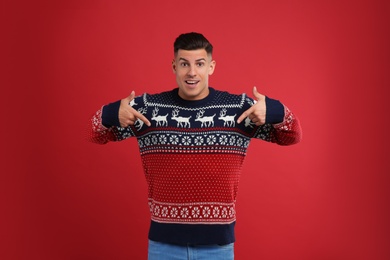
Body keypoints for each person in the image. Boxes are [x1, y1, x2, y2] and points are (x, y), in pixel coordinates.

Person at [88, 32, 302, 260]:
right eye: (184, 64)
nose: (192, 72)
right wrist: (112, 113)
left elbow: (291, 136)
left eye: (199, 64)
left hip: (217, 247)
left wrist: (274, 110)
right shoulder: (147, 109)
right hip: (163, 246)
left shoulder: (240, 109)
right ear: (174, 66)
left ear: (211, 66)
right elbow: (94, 134)